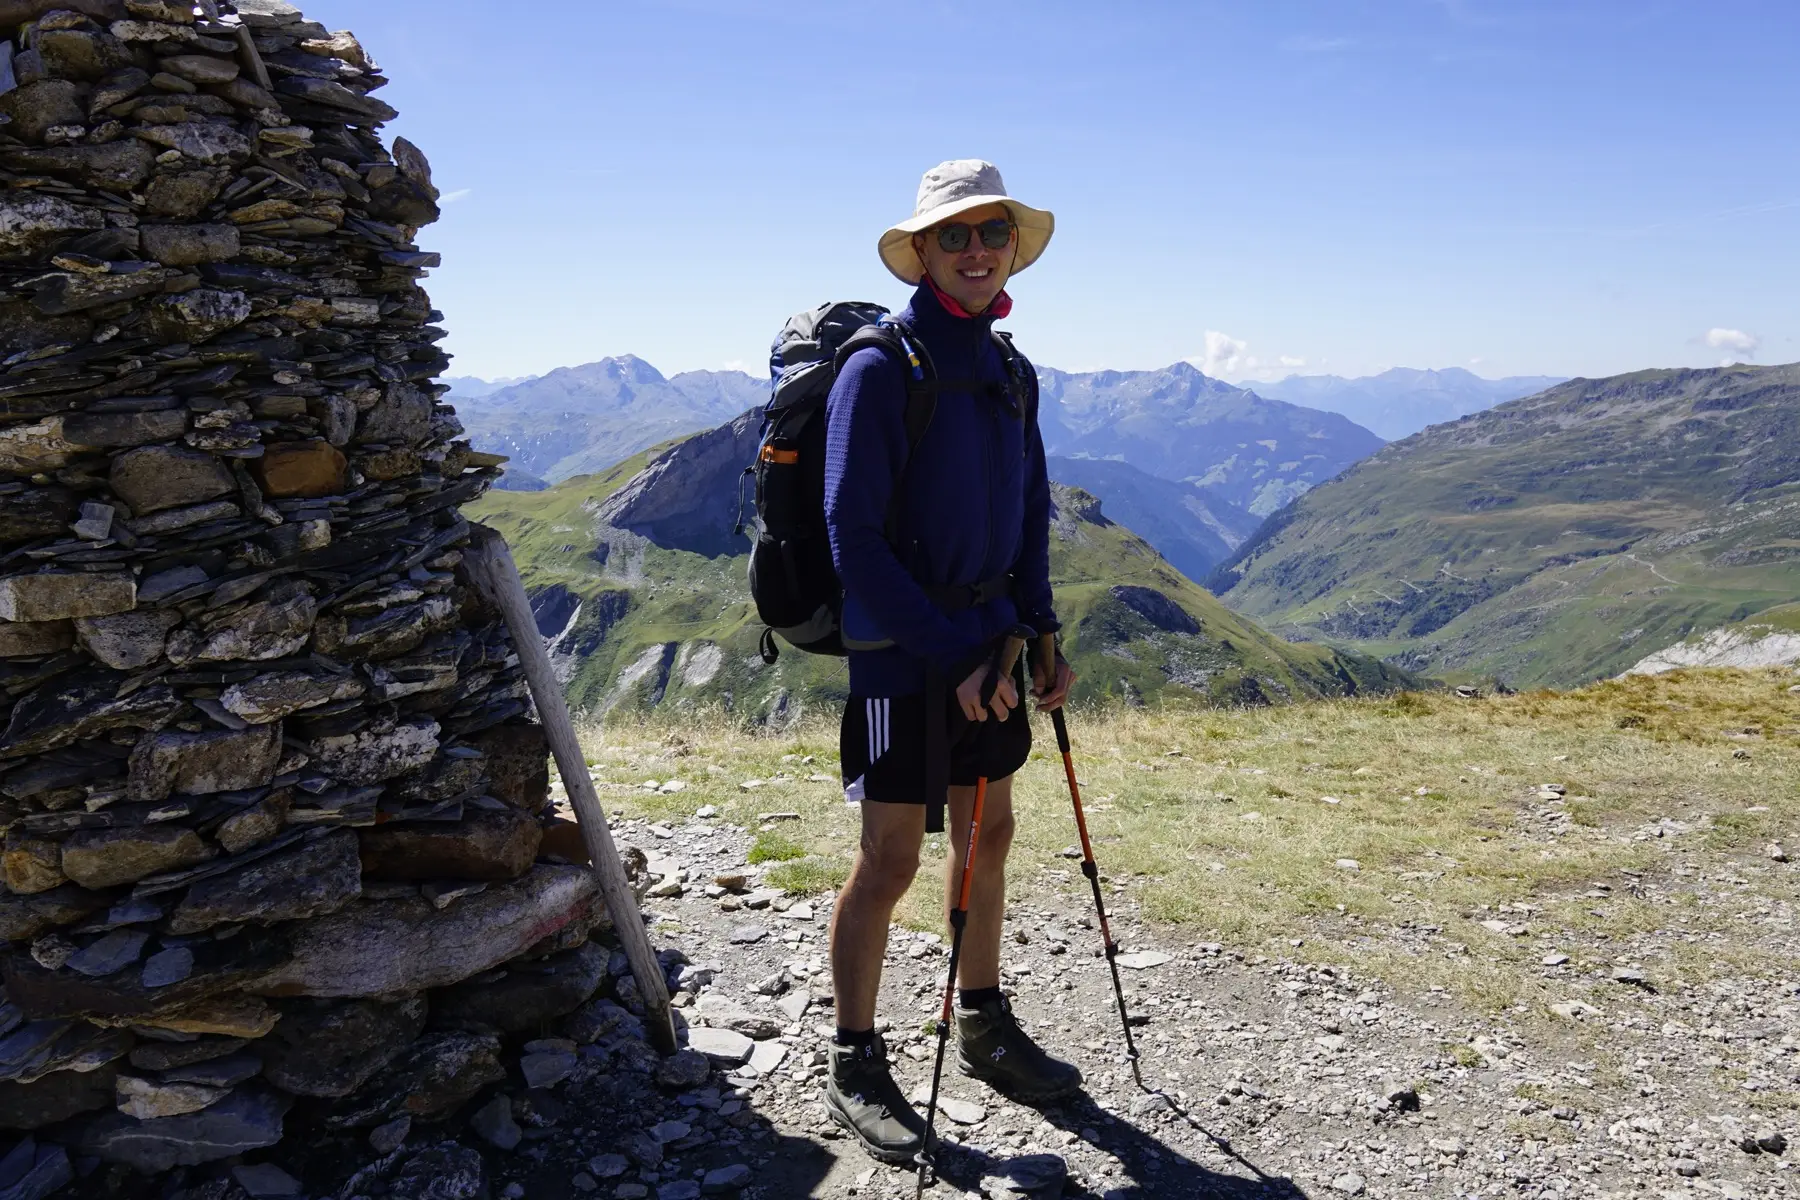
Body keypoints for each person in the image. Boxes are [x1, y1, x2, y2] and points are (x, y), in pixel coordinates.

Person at [820, 159, 1080, 1165]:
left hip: (991, 647)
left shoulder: (1013, 375)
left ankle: (983, 1021)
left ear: (1012, 248)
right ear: (922, 253)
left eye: (994, 233)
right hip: (900, 658)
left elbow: (1028, 518)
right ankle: (854, 1057)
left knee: (991, 833)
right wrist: (949, 655)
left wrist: (1041, 633)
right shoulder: (880, 369)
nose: (978, 251)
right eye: (957, 235)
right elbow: (853, 539)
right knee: (891, 859)